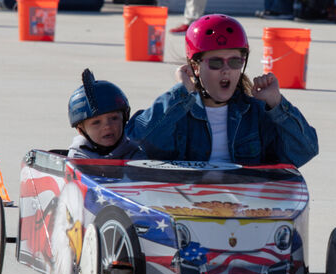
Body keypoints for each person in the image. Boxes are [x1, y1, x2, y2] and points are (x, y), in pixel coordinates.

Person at [126, 14, 318, 167]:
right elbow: (138, 139)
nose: (226, 69)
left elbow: (304, 151)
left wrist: (277, 103)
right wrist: (181, 92)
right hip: (187, 205)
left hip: (244, 205)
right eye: (216, 62)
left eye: (235, 62)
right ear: (196, 66)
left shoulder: (256, 113)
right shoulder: (178, 112)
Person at [67, 69, 144, 160]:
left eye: (114, 118)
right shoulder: (77, 158)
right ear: (81, 130)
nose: (107, 126)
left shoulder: (135, 153)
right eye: (96, 122)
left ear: (124, 119)